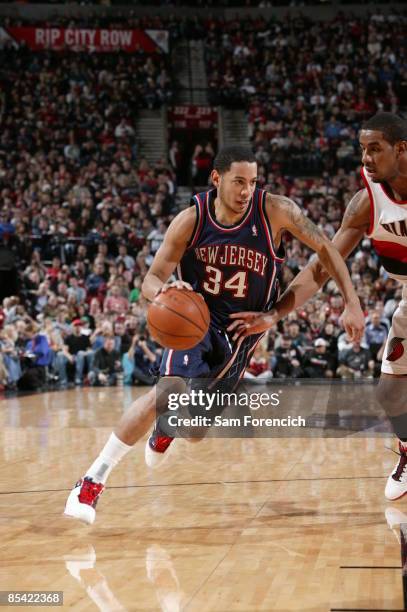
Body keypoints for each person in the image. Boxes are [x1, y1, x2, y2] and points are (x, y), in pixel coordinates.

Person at [64, 145, 364, 524]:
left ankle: (167, 429)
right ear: (216, 178)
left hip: (243, 332)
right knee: (166, 390)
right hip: (197, 322)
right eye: (239, 181)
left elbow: (328, 250)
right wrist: (167, 293)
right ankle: (91, 481)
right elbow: (150, 280)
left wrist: (348, 302)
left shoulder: (276, 211)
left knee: (196, 430)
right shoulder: (190, 220)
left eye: (253, 182)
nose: (246, 191)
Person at [230, 112, 407, 501]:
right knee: (391, 394)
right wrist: (273, 315)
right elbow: (319, 268)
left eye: (374, 149)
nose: (365, 159)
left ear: (401, 149)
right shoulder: (366, 204)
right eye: (362, 150)